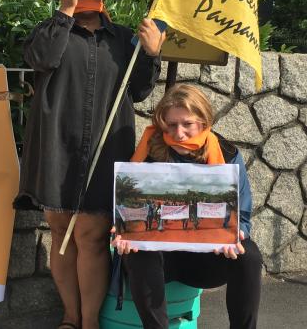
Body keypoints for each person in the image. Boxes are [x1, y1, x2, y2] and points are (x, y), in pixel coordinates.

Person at [14, 0, 165, 329]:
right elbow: (40, 59)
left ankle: (90, 321)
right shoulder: (51, 29)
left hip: (106, 144)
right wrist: (64, 11)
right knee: (62, 231)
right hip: (56, 146)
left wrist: (152, 53)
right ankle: (70, 316)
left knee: (92, 235)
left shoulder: (126, 37)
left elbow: (140, 90)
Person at [112, 84, 262, 329]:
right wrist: (124, 232)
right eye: (171, 125)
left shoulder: (228, 154)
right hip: (160, 259)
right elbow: (126, 210)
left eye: (187, 124)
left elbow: (242, 216)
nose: (179, 133)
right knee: (138, 253)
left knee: (250, 255)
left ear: (203, 122)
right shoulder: (147, 154)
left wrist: (235, 235)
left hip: (207, 258)